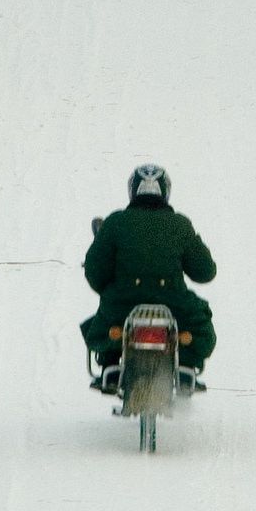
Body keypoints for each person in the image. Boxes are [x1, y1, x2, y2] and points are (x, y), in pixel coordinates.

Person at [81, 163, 217, 386]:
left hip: (123, 304)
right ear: (165, 190)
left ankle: (111, 363)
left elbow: (95, 272)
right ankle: (186, 365)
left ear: (133, 190)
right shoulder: (180, 224)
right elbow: (205, 272)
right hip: (173, 303)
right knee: (199, 327)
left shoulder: (115, 222)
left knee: (102, 328)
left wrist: (109, 291)